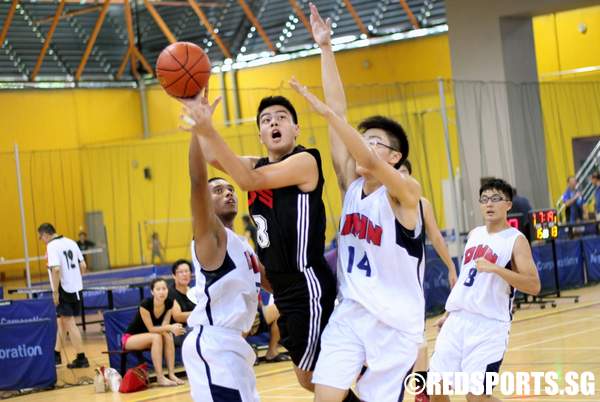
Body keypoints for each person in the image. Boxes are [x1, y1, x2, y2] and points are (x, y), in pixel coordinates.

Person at [290, 5, 426, 401]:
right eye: (362, 139)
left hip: (396, 327)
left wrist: (330, 116)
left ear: (396, 157)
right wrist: (326, 48)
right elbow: (343, 113)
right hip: (350, 314)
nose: (364, 147)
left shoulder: (406, 192)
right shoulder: (351, 186)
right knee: (324, 395)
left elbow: (351, 137)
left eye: (375, 142)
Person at [182, 83, 336, 391]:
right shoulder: (257, 163)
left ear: (296, 129)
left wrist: (208, 130)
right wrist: (199, 123)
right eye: (266, 120)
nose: (274, 122)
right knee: (309, 380)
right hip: (283, 290)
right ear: (260, 135)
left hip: (307, 282)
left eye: (281, 117)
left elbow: (247, 180)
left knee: (327, 377)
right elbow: (211, 155)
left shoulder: (306, 161)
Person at [179, 102, 265, 401]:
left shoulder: (243, 244)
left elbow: (272, 283)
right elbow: (197, 181)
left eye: (230, 189)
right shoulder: (210, 238)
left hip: (235, 348)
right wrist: (197, 128)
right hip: (214, 346)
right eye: (218, 191)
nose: (228, 193)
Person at [428, 178, 541, 402]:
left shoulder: (516, 240)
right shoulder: (474, 234)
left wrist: (497, 269)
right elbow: (466, 282)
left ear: (508, 204)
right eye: (484, 199)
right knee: (436, 388)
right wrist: (450, 313)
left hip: (490, 327)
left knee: (476, 397)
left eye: (496, 199)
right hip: (458, 322)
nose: (489, 204)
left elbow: (534, 285)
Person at [400, 160, 457, 402]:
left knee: (418, 341)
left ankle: (421, 393)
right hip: (381, 286)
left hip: (410, 284)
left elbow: (435, 235)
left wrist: (451, 266)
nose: (400, 177)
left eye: (404, 173)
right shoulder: (377, 202)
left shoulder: (422, 205)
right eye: (396, 173)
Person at [38, 223, 89, 369]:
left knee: (69, 323)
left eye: (41, 237)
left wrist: (55, 291)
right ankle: (56, 354)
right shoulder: (71, 242)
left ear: (46, 234)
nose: (42, 240)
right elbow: (83, 266)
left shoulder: (52, 246)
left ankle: (81, 357)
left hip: (63, 289)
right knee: (62, 322)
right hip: (77, 288)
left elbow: (56, 270)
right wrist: (75, 278)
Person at [122, 277, 185, 386]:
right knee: (156, 336)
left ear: (167, 290)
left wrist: (172, 328)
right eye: (158, 289)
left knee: (167, 335)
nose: (162, 292)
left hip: (149, 336)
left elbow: (164, 326)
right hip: (130, 338)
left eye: (164, 288)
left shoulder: (169, 303)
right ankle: (160, 377)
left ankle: (171, 374)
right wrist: (171, 327)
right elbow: (151, 329)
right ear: (152, 291)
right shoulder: (145, 304)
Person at [168, 259, 196, 346]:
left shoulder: (194, 291)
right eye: (181, 272)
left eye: (187, 271)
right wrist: (200, 313)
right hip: (177, 331)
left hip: (193, 326)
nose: (185, 274)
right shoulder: (170, 292)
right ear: (174, 275)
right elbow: (178, 316)